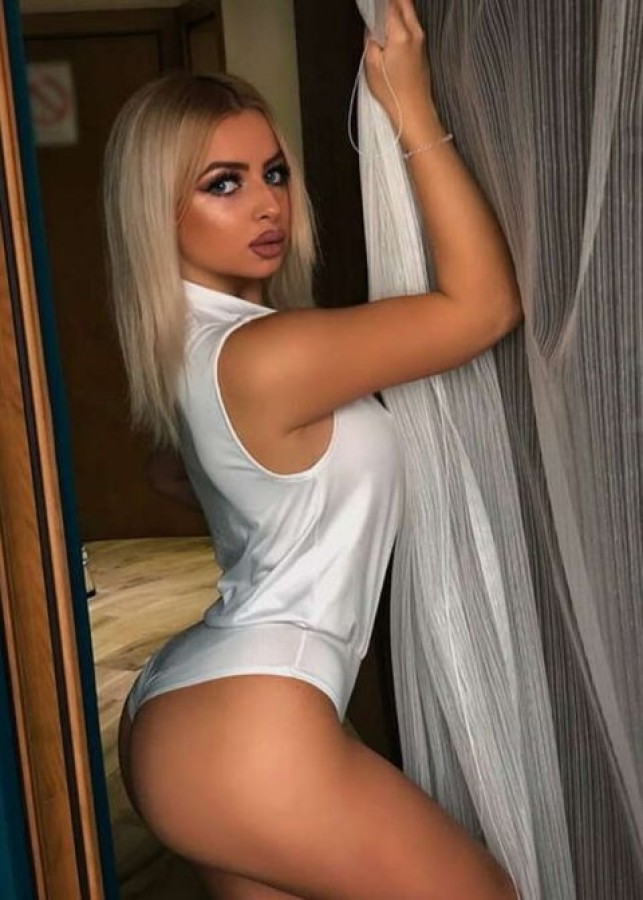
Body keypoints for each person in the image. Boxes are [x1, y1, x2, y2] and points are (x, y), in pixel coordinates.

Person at [104, 1, 522, 897]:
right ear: (155, 210)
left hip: (186, 711)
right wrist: (410, 107)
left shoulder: (198, 350)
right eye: (222, 184)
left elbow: (171, 471)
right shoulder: (265, 355)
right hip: (254, 725)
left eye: (273, 172)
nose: (267, 203)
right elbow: (482, 308)